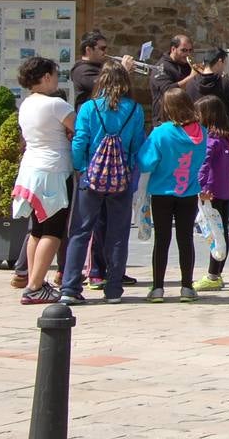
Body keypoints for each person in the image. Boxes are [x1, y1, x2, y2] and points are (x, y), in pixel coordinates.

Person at [60, 60, 144, 305]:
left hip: (92, 176)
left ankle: (70, 287)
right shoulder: (135, 109)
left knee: (80, 231)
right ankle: (114, 288)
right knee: (117, 234)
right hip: (121, 177)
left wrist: (81, 168)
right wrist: (129, 170)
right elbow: (138, 145)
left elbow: (79, 142)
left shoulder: (89, 108)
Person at [11, 57, 76, 305]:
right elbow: (79, 128)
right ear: (46, 77)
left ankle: (32, 281)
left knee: (37, 230)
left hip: (30, 170)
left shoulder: (26, 103)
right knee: (54, 230)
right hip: (53, 171)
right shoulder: (56, 104)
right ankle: (35, 286)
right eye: (55, 75)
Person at [138, 88, 206, 303]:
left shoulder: (161, 132)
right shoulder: (201, 132)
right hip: (188, 192)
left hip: (162, 192)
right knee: (185, 239)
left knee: (162, 240)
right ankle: (187, 286)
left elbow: (145, 162)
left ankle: (157, 288)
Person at [194, 96, 229, 291]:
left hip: (210, 191)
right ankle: (217, 272)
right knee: (221, 232)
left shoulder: (211, 139)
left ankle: (213, 275)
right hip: (225, 189)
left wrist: (200, 187)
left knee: (214, 231)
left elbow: (203, 165)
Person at [69, 30, 135, 109]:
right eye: (102, 48)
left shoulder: (99, 66)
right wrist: (123, 71)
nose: (106, 52)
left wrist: (125, 73)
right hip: (92, 117)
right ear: (88, 50)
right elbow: (105, 86)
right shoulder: (81, 70)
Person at [149, 34, 199, 122]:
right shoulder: (161, 68)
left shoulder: (187, 65)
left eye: (190, 50)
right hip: (165, 121)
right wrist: (192, 77)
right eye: (184, 50)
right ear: (173, 49)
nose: (188, 54)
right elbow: (169, 91)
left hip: (184, 119)